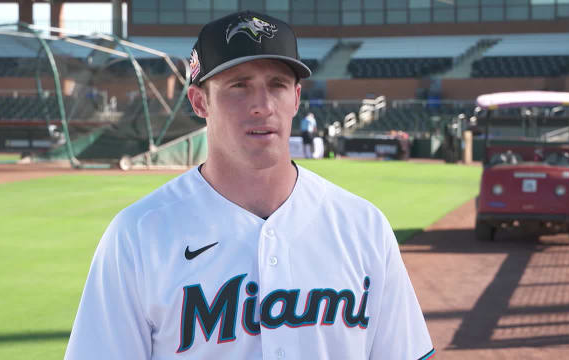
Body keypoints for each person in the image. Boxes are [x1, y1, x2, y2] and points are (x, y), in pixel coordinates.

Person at [65, 10, 433, 360]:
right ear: (199, 101)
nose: (262, 105)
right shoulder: (138, 234)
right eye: (238, 86)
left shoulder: (363, 227)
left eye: (277, 85)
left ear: (296, 98)